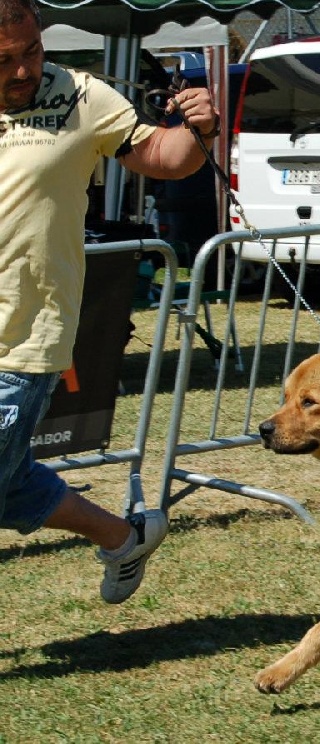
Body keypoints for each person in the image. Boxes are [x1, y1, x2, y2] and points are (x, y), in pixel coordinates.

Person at [0, 0, 220, 603]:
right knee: (4, 484)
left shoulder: (79, 95)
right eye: (3, 61)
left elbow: (166, 159)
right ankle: (125, 535)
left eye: (31, 52)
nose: (22, 72)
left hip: (21, 337)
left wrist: (200, 127)